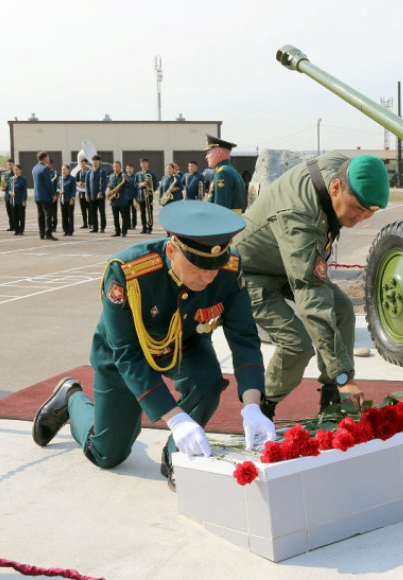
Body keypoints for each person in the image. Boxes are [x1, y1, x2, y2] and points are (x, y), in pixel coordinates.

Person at [31, 201, 275, 491]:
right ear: (172, 251)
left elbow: (244, 338)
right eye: (199, 267)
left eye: (214, 268)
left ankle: (177, 456)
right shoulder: (128, 272)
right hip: (125, 355)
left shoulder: (229, 269)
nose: (209, 278)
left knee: (207, 382)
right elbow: (126, 353)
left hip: (183, 344)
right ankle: (71, 399)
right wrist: (176, 419)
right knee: (108, 454)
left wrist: (252, 406)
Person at [233, 153, 389, 419]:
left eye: (369, 213)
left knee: (343, 310)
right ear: (336, 188)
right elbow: (312, 299)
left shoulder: (340, 171)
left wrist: (338, 379)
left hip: (283, 262)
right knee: (296, 344)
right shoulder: (299, 218)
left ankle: (332, 399)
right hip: (249, 273)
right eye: (357, 208)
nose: (361, 218)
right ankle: (261, 409)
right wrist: (343, 375)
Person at [204, 134, 246, 213]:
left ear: (219, 152)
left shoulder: (223, 174)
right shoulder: (231, 171)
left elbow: (220, 210)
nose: (206, 157)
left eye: (208, 153)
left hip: (227, 220)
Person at [32, 151, 57, 241]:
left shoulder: (34, 168)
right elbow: (48, 183)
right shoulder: (45, 168)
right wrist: (53, 194)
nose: (48, 159)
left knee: (40, 215)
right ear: (45, 158)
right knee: (48, 214)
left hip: (37, 195)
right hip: (45, 195)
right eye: (47, 157)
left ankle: (41, 233)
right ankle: (48, 233)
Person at [106, 161, 135, 237]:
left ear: (120, 167)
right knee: (115, 217)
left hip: (122, 200)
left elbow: (130, 185)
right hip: (114, 200)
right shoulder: (111, 176)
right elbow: (109, 185)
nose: (116, 168)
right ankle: (117, 231)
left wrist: (126, 179)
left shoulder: (124, 176)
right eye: (114, 167)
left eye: (117, 166)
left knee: (124, 217)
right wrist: (108, 190)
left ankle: (124, 231)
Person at [86, 154, 108, 233]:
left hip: (100, 196)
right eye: (93, 161)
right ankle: (95, 228)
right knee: (93, 212)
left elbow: (104, 183)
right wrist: (87, 194)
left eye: (96, 161)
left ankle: (102, 227)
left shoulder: (102, 171)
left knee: (102, 212)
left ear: (99, 162)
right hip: (92, 196)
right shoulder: (89, 172)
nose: (94, 162)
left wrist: (101, 192)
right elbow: (87, 185)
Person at [135, 157, 158, 234]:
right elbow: (135, 184)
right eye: (142, 163)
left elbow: (155, 184)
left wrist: (150, 192)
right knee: (142, 213)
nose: (143, 165)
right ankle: (144, 227)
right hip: (141, 196)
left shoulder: (152, 173)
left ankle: (150, 227)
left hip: (149, 196)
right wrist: (141, 184)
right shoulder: (138, 174)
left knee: (149, 212)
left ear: (148, 164)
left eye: (145, 163)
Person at [57, 164, 76, 236]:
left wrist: (72, 199)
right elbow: (57, 187)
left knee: (70, 215)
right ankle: (65, 230)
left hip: (69, 200)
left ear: (69, 170)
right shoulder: (60, 178)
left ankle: (70, 230)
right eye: (62, 169)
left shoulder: (72, 179)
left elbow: (73, 190)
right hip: (62, 200)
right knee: (64, 215)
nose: (63, 171)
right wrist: (59, 191)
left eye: (65, 169)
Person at [11, 164, 28, 235]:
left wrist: (24, 200)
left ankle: (21, 230)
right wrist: (10, 192)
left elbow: (24, 191)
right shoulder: (11, 179)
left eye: (16, 169)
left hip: (20, 200)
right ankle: (16, 230)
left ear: (20, 170)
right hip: (13, 200)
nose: (15, 171)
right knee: (14, 216)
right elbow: (9, 188)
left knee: (21, 216)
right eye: (14, 170)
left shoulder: (23, 179)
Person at [1, 159, 16, 232]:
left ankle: (16, 226)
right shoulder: (5, 174)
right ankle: (11, 226)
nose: (9, 166)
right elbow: (3, 184)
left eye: (10, 164)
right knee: (9, 211)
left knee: (14, 211)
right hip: (7, 195)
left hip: (14, 196)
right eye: (8, 165)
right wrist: (3, 187)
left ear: (13, 165)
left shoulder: (15, 173)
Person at [76, 157, 90, 229]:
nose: (82, 165)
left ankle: (90, 223)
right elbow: (76, 180)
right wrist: (79, 183)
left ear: (86, 164)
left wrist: (86, 183)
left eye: (84, 163)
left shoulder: (89, 171)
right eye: (81, 163)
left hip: (88, 193)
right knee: (83, 209)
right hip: (81, 193)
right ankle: (85, 223)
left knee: (90, 209)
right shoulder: (79, 172)